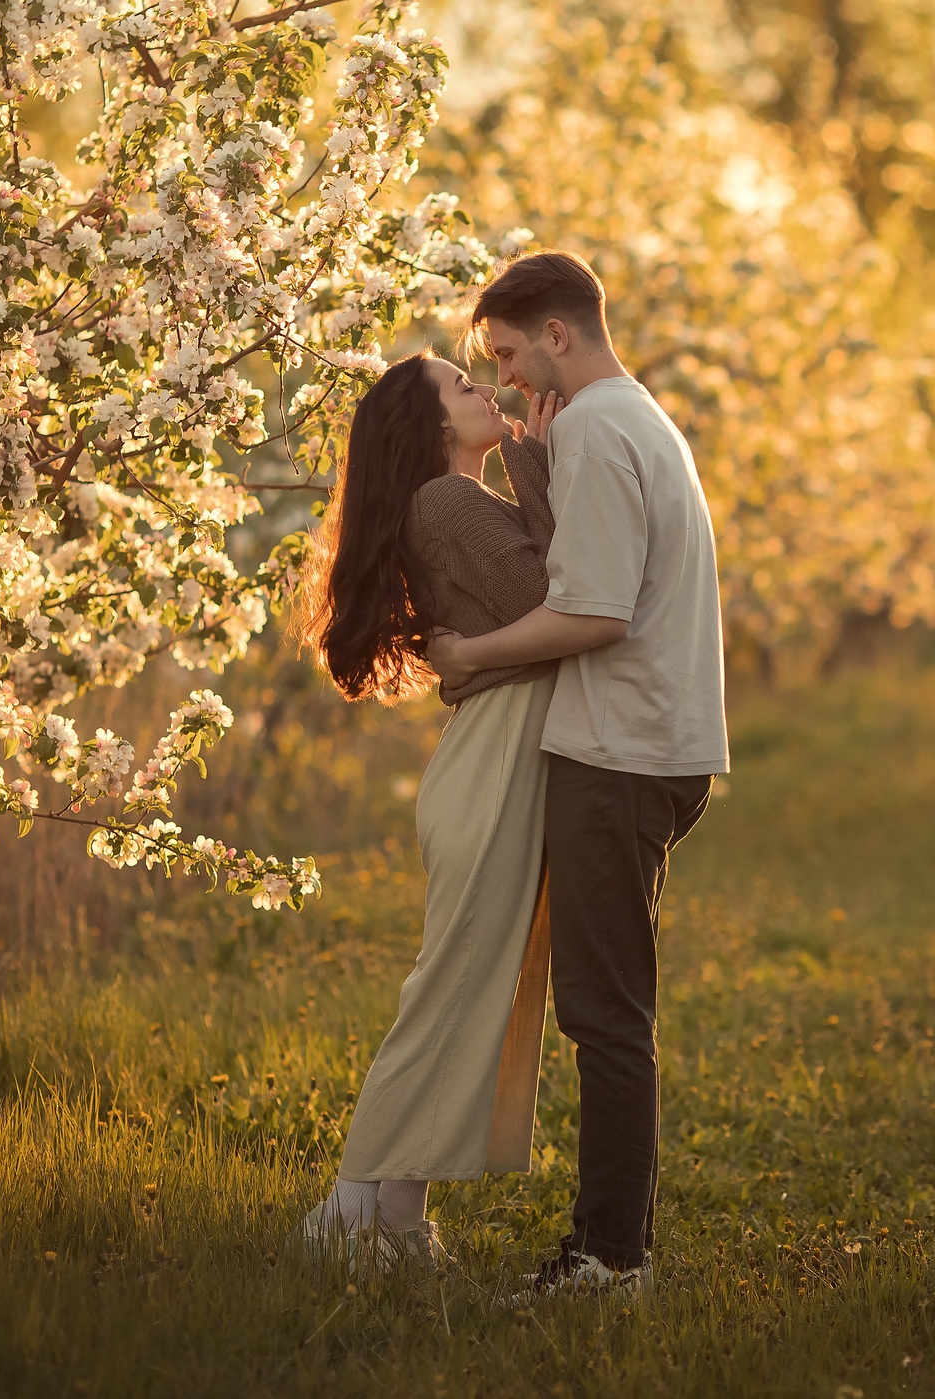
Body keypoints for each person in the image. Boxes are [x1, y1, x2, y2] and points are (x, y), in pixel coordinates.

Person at [425, 250, 729, 1303]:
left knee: (603, 1013)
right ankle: (615, 1247)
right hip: (659, 743)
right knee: (611, 1006)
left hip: (620, 749)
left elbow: (594, 613)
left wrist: (468, 657)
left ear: (557, 332)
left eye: (508, 355)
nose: (505, 381)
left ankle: (610, 1260)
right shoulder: (631, 417)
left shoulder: (599, 424)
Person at [293, 350, 567, 1270]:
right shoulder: (448, 502)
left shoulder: (457, 504)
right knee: (452, 987)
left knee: (463, 985)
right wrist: (538, 446)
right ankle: (348, 1212)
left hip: (496, 751)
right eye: (464, 386)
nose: (485, 391)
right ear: (433, 426)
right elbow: (554, 600)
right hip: (494, 756)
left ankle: (389, 1216)